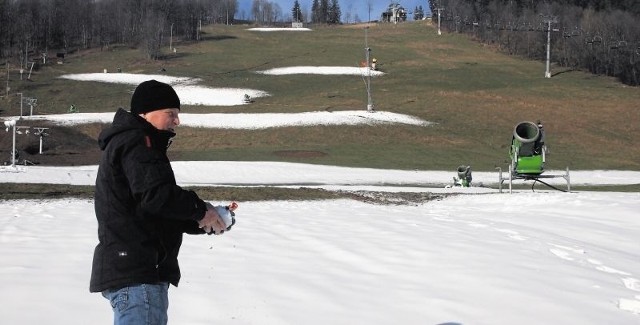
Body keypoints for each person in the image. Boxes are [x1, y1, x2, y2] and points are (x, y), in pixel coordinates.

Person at [90, 79, 227, 325]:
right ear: (145, 112)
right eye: (170, 113)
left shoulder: (135, 142)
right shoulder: (138, 142)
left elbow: (153, 209)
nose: (177, 121)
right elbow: (156, 195)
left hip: (135, 272)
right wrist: (199, 210)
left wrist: (203, 220)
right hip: (138, 275)